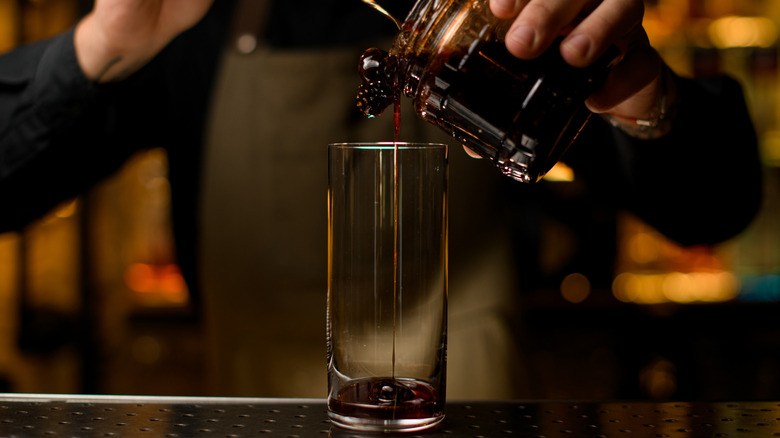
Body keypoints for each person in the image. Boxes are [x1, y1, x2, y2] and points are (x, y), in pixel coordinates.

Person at [0, 0, 763, 399]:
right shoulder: (189, 20)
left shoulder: (490, 26)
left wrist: (641, 96)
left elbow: (716, 207)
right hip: (256, 415)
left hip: (466, 414)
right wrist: (99, 46)